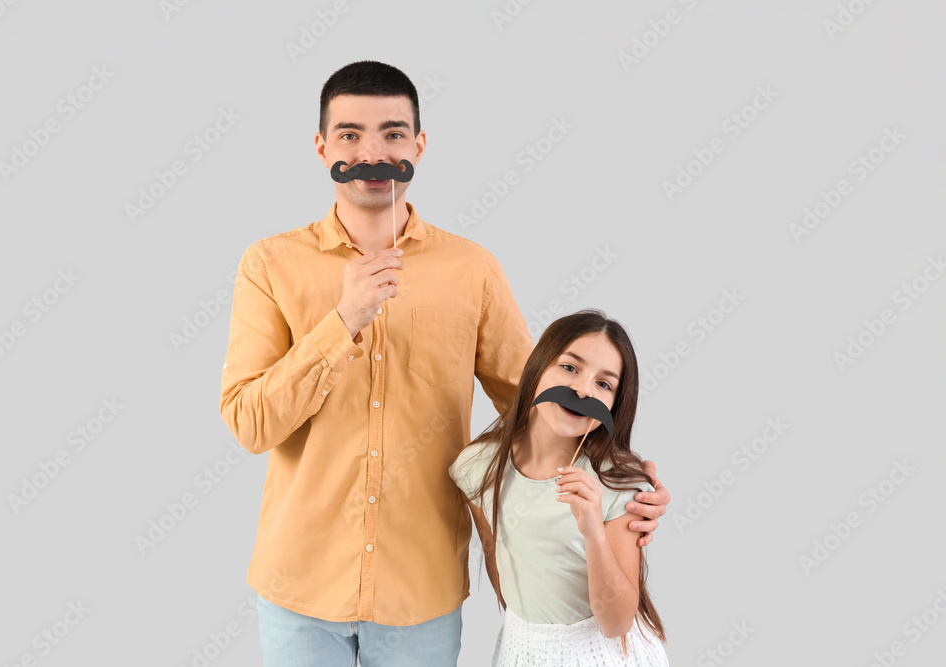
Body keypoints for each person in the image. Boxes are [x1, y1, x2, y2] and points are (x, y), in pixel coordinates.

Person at [218, 61, 672, 667]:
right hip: (298, 589)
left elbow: (538, 409)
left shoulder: (472, 271)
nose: (372, 151)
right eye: (350, 134)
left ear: (419, 145)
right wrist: (343, 321)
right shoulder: (268, 265)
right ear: (322, 146)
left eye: (393, 133)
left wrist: (624, 483)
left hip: (421, 595)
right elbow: (249, 424)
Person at [449, 309, 669, 666]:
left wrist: (594, 530)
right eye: (569, 367)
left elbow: (616, 625)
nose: (582, 389)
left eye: (604, 383)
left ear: (613, 406)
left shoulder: (619, 485)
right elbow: (496, 556)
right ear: (537, 367)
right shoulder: (477, 467)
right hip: (521, 649)